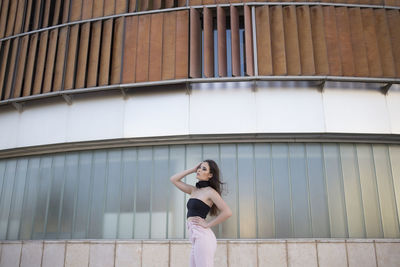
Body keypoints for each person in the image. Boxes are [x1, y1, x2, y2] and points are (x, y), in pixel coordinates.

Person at [170, 159, 232, 267]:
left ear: (210, 175)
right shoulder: (194, 190)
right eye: (199, 168)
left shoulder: (210, 192)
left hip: (202, 236)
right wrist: (192, 169)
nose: (199, 170)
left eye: (203, 169)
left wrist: (208, 224)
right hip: (194, 236)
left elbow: (227, 212)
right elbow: (174, 179)